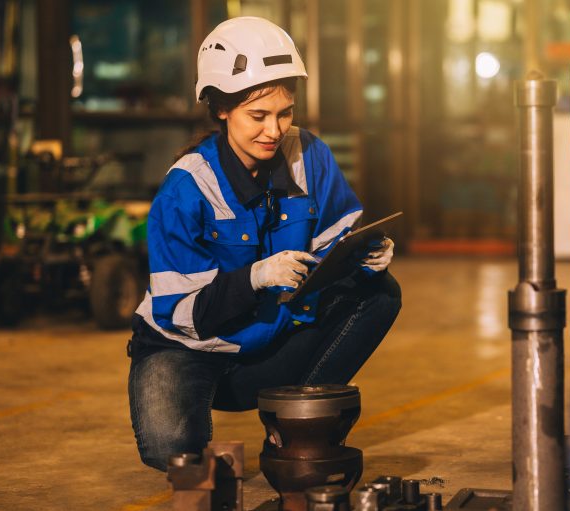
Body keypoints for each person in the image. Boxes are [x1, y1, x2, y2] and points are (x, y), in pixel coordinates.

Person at [127, 17, 401, 472]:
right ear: (221, 110)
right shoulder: (186, 188)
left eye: (284, 112)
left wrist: (367, 256)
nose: (274, 130)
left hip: (269, 344)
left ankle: (291, 427)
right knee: (172, 452)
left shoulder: (309, 155)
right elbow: (182, 313)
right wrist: (256, 277)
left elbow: (338, 243)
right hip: (187, 351)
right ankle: (197, 424)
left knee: (381, 293)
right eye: (258, 115)